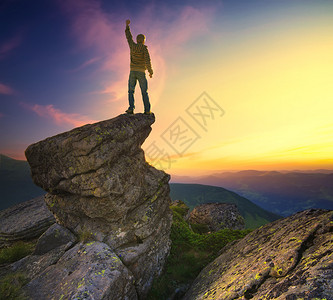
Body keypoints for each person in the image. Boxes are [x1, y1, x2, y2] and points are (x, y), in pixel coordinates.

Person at [125, 19, 153, 115]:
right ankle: (147, 110)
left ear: (137, 40)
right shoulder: (144, 49)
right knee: (144, 92)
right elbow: (147, 60)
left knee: (131, 91)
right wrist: (150, 71)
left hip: (132, 71)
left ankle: (131, 108)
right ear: (144, 41)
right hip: (141, 72)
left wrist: (127, 26)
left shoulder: (132, 46)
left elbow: (128, 37)